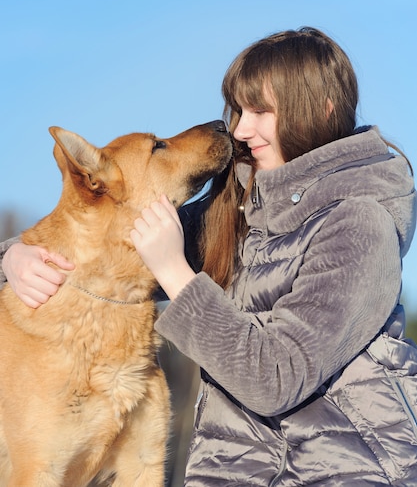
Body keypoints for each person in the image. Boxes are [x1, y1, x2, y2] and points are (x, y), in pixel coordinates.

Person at [1, 26, 417, 486]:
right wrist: (14, 259)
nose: (239, 128)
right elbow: (101, 260)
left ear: (322, 109)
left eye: (261, 110)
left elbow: (276, 377)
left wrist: (175, 271)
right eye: (239, 109)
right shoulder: (238, 212)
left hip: (343, 471)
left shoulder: (359, 225)